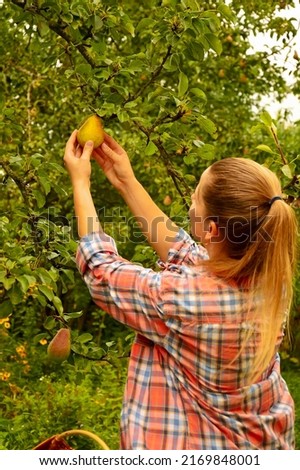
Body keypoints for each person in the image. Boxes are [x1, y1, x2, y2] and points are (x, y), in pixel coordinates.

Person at [63, 129, 297, 450]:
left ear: (212, 230)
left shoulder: (184, 301)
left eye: (197, 195)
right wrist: (125, 181)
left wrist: (80, 183)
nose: (191, 198)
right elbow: (185, 252)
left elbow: (101, 269)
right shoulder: (271, 278)